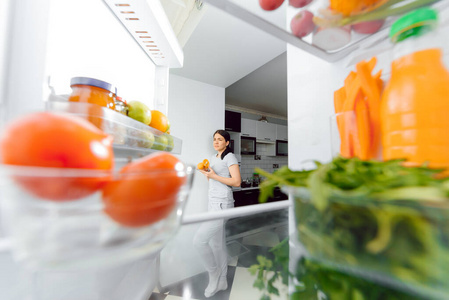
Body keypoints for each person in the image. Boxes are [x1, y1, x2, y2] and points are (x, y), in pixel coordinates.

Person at [193, 129, 241, 298]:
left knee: (199, 240)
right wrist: (208, 174)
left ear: (227, 142)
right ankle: (222, 281)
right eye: (215, 139)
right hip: (212, 202)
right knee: (217, 244)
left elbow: (236, 182)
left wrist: (213, 175)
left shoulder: (230, 157)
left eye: (220, 139)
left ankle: (213, 274)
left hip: (223, 203)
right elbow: (214, 179)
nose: (216, 142)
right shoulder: (214, 158)